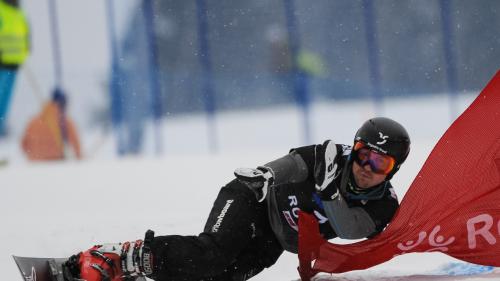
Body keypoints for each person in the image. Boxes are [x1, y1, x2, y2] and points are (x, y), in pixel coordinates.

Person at [64, 117, 410, 281]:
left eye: (381, 162)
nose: (366, 167)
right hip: (253, 201)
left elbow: (348, 229)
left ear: (393, 170)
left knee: (219, 278)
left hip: (275, 240)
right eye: (364, 154)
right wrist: (265, 175)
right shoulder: (330, 156)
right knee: (211, 253)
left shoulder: (383, 206)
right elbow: (293, 164)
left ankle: (140, 273)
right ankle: (118, 257)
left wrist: (331, 191)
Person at [21, 89, 81, 161]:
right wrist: (80, 158)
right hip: (55, 164)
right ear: (63, 104)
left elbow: (23, 145)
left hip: (34, 164)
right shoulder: (65, 122)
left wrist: (35, 153)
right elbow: (76, 144)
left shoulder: (33, 121)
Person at [0, 0, 30, 136]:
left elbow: (26, 35)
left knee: (3, 109)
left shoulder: (19, 13)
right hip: (2, 64)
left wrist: (24, 52)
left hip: (14, 65)